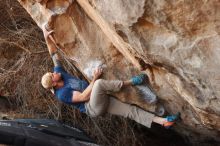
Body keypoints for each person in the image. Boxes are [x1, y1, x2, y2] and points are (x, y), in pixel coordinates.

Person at [41, 25, 180, 129]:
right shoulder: (62, 93)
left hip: (99, 99)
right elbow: (84, 97)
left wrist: (45, 34)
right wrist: (95, 78)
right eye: (53, 75)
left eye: (52, 72)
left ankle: (164, 122)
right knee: (99, 83)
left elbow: (53, 54)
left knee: (130, 111)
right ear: (54, 83)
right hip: (92, 107)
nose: (55, 73)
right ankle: (132, 82)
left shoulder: (60, 74)